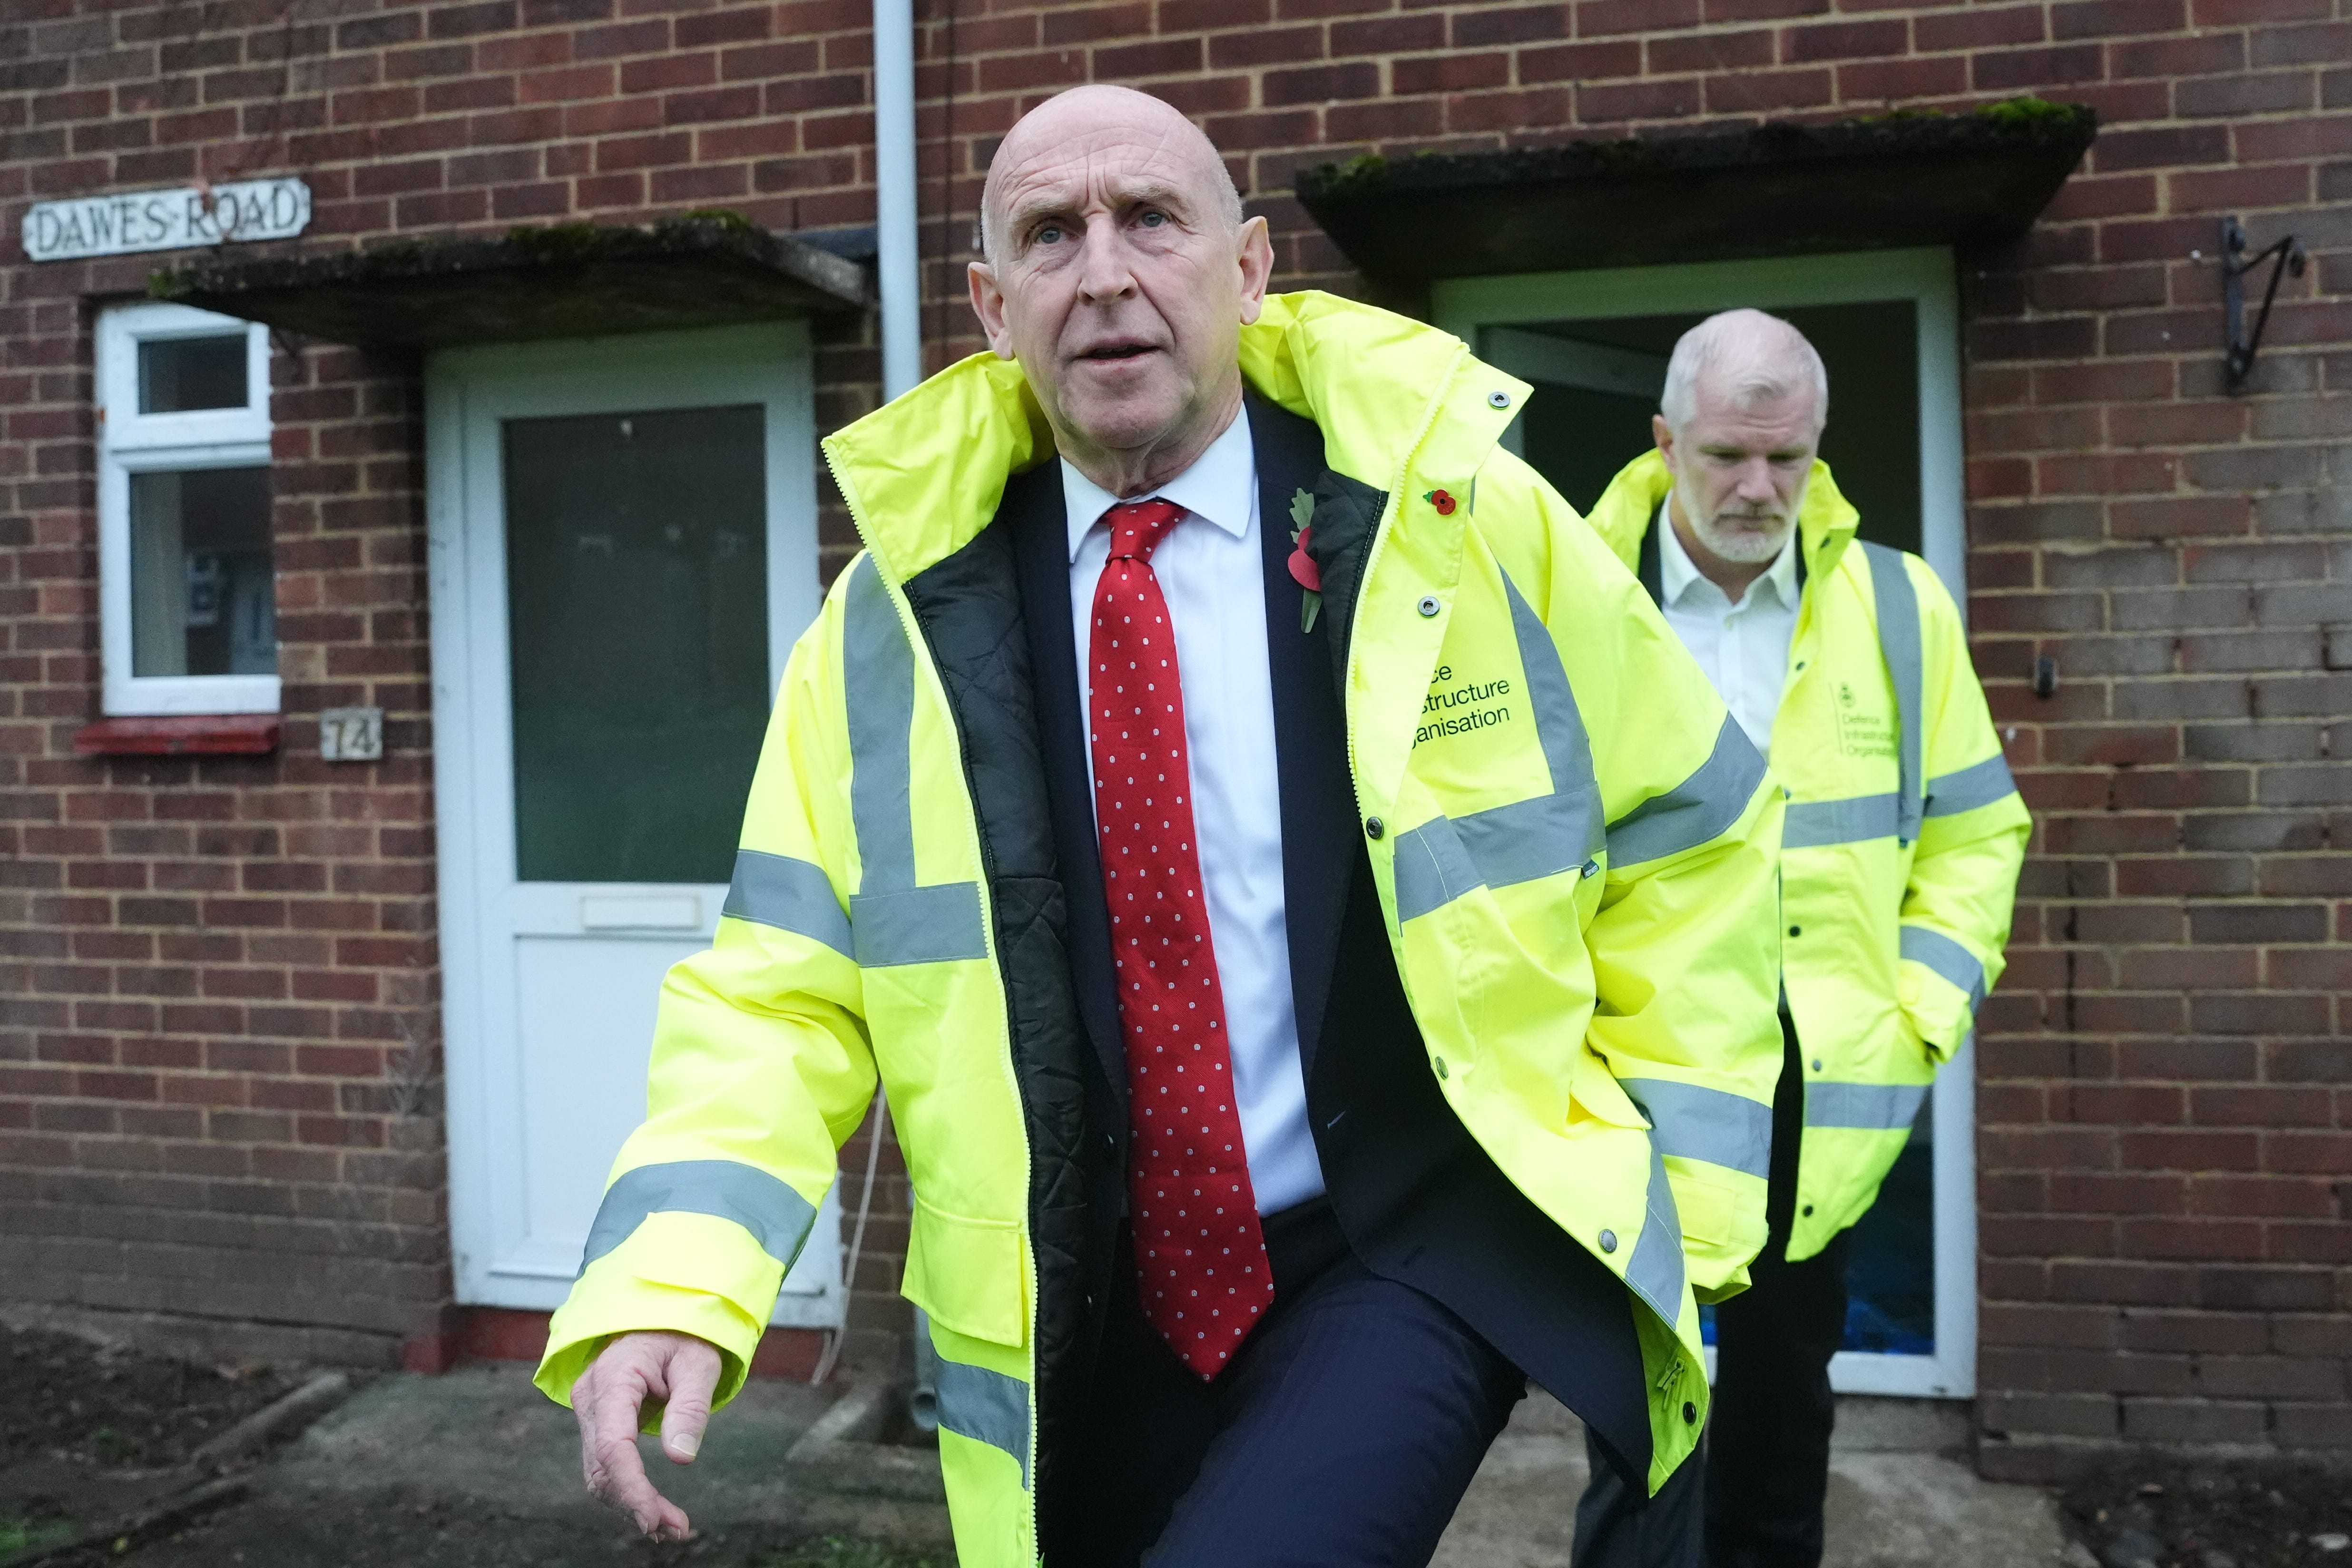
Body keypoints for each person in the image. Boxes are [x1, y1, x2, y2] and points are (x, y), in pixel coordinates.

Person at [532, 86, 1786, 1568]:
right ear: (996, 308)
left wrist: (1689, 1211)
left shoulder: (1455, 524)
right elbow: (777, 979)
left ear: (1248, 271)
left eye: (1151, 220)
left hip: (1403, 1243)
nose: (1106, 273)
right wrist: (675, 1281)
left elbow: (1691, 828)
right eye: (1052, 236)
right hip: (1083, 1297)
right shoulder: (889, 629)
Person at [1572, 311, 2030, 1568]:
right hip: (1626, 1086)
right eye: (1726, 454)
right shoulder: (1573, 603)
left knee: (1782, 1417)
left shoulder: (1898, 605)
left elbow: (1977, 830)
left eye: (1790, 459)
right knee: (1632, 1426)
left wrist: (1918, 1010)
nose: (1759, 488)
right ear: (1665, 442)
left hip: (1815, 1096)